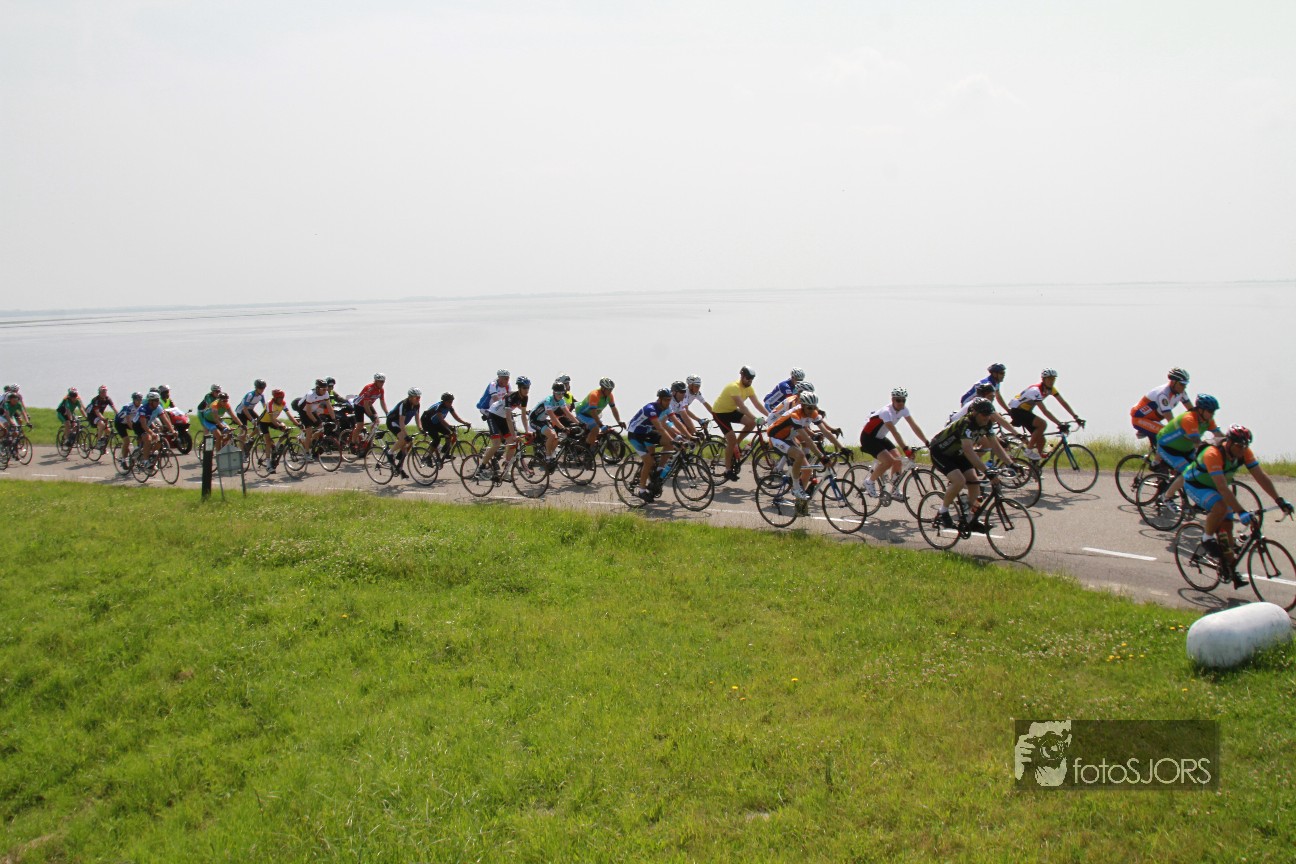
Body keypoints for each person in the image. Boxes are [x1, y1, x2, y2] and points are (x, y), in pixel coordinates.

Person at [1181, 425, 1293, 586]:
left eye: (1245, 446)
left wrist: (1279, 500)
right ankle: (1207, 538)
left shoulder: (1244, 452)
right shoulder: (1213, 454)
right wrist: (1240, 512)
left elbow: (1260, 476)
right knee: (1220, 507)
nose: (1243, 450)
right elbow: (1222, 488)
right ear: (1229, 443)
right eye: (1239, 446)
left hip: (1216, 487)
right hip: (1197, 485)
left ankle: (1230, 569)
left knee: (1227, 528)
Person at [927, 398, 1018, 533]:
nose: (987, 417)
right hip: (940, 452)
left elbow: (995, 446)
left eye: (989, 415)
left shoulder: (987, 424)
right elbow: (968, 450)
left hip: (957, 453)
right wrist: (987, 471)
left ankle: (971, 520)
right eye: (984, 414)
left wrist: (1011, 463)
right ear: (975, 413)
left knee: (975, 483)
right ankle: (943, 511)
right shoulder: (966, 424)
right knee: (959, 480)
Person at [859, 387, 931, 499]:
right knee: (888, 461)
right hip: (868, 438)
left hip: (880, 438)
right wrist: (906, 449)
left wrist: (926, 442)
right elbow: (894, 432)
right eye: (898, 400)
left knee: (898, 460)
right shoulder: (886, 412)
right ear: (892, 400)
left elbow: (914, 426)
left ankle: (895, 490)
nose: (901, 403)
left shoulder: (904, 410)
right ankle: (869, 482)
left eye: (903, 400)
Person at [1006, 368, 1085, 462]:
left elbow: (1063, 402)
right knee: (1042, 424)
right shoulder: (1035, 391)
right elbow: (1044, 411)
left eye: (1053, 379)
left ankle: (1035, 466)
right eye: (1049, 379)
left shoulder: (1051, 389)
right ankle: (1028, 450)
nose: (1052, 381)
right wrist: (1059, 424)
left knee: (1041, 440)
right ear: (1043, 379)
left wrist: (1076, 417)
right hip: (1017, 411)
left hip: (1026, 412)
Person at [764, 392, 830, 500]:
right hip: (775, 435)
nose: (812, 410)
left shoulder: (810, 412)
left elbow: (824, 431)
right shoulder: (794, 412)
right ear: (803, 405)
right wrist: (821, 456)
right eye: (809, 407)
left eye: (814, 407)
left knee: (807, 470)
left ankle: (799, 501)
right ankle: (795, 486)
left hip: (788, 436)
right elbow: (806, 438)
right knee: (799, 454)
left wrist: (842, 448)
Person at [710, 365, 767, 481]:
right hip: (720, 413)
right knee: (731, 439)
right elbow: (742, 407)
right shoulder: (734, 387)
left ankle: (736, 445)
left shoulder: (749, 388)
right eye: (748, 378)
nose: (750, 381)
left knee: (751, 423)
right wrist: (756, 418)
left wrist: (770, 415)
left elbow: (757, 404)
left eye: (752, 379)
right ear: (742, 376)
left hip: (731, 411)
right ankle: (727, 470)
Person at [626, 388, 682, 501]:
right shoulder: (650, 409)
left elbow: (676, 422)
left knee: (669, 444)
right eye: (666, 400)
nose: (668, 402)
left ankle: (659, 469)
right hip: (635, 435)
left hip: (647, 432)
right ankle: (642, 490)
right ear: (659, 400)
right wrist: (673, 440)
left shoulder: (666, 408)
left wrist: (687, 437)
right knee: (649, 462)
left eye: (669, 400)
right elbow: (660, 428)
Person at [1130, 367, 1191, 457]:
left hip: (1153, 420)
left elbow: (1192, 410)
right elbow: (1170, 419)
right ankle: (1157, 462)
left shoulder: (1181, 392)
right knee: (1165, 433)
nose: (1184, 387)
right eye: (1182, 384)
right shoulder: (1163, 394)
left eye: (1185, 385)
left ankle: (1161, 460)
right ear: (1173, 382)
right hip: (1139, 419)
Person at [479, 375, 532, 476]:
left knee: (512, 443)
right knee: (497, 444)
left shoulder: (525, 397)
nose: (526, 390)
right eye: (524, 388)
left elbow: (523, 416)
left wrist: (527, 431)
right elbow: (508, 418)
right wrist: (514, 435)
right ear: (519, 388)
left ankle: (506, 468)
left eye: (528, 387)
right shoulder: (510, 396)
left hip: (502, 417)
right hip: (493, 416)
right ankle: (481, 467)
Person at [527, 382, 578, 467]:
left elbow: (568, 413)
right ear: (553, 392)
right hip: (534, 420)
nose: (560, 395)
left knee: (556, 439)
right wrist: (562, 428)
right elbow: (552, 417)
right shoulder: (548, 401)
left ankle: (551, 456)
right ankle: (547, 458)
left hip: (543, 420)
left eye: (562, 393)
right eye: (558, 393)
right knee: (551, 435)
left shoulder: (561, 400)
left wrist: (579, 423)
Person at [420, 392, 473, 463]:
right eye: (449, 402)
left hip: (435, 422)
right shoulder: (439, 407)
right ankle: (428, 457)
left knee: (448, 433)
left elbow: (456, 417)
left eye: (452, 401)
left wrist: (465, 423)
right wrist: (450, 426)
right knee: (437, 439)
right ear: (444, 401)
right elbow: (441, 420)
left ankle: (445, 452)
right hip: (427, 422)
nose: (451, 403)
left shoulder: (449, 407)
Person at [574, 377, 624, 449]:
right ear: (603, 388)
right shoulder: (594, 395)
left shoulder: (610, 395)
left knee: (601, 431)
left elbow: (613, 409)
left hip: (593, 415)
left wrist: (619, 421)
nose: (610, 391)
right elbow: (593, 412)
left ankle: (591, 445)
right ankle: (586, 450)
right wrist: (600, 425)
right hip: (582, 414)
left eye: (611, 389)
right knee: (596, 429)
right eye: (609, 389)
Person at [257, 388, 297, 474]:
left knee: (287, 430)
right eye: (280, 398)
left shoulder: (283, 403)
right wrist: (279, 426)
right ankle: (268, 465)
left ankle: (277, 446)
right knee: (268, 441)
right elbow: (272, 419)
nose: (281, 400)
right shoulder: (270, 403)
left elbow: (289, 415)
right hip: (264, 422)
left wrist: (297, 424)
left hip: (273, 420)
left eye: (282, 398)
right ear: (275, 398)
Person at [384, 388, 422, 479]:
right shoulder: (404, 405)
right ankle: (390, 453)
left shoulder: (417, 405)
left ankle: (399, 467)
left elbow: (417, 418)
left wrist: (421, 429)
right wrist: (406, 435)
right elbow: (401, 422)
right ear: (410, 397)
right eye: (416, 397)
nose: (418, 399)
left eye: (419, 397)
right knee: (404, 439)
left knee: (408, 444)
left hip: (400, 424)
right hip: (392, 422)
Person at [112, 391, 146, 468]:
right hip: (120, 423)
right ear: (134, 400)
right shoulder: (128, 407)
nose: (139, 401)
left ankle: (138, 452)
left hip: (129, 422)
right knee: (127, 441)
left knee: (142, 435)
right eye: (137, 400)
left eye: (140, 399)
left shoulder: (141, 407)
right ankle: (123, 460)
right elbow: (128, 420)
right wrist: (136, 430)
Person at [55, 387, 88, 451]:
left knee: (76, 426)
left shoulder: (77, 400)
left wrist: (86, 417)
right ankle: (66, 439)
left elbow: (81, 409)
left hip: (71, 413)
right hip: (62, 413)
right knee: (68, 424)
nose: (74, 398)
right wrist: (71, 420)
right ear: (70, 397)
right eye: (72, 397)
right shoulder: (67, 400)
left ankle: (71, 439)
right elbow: (68, 411)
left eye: (75, 396)